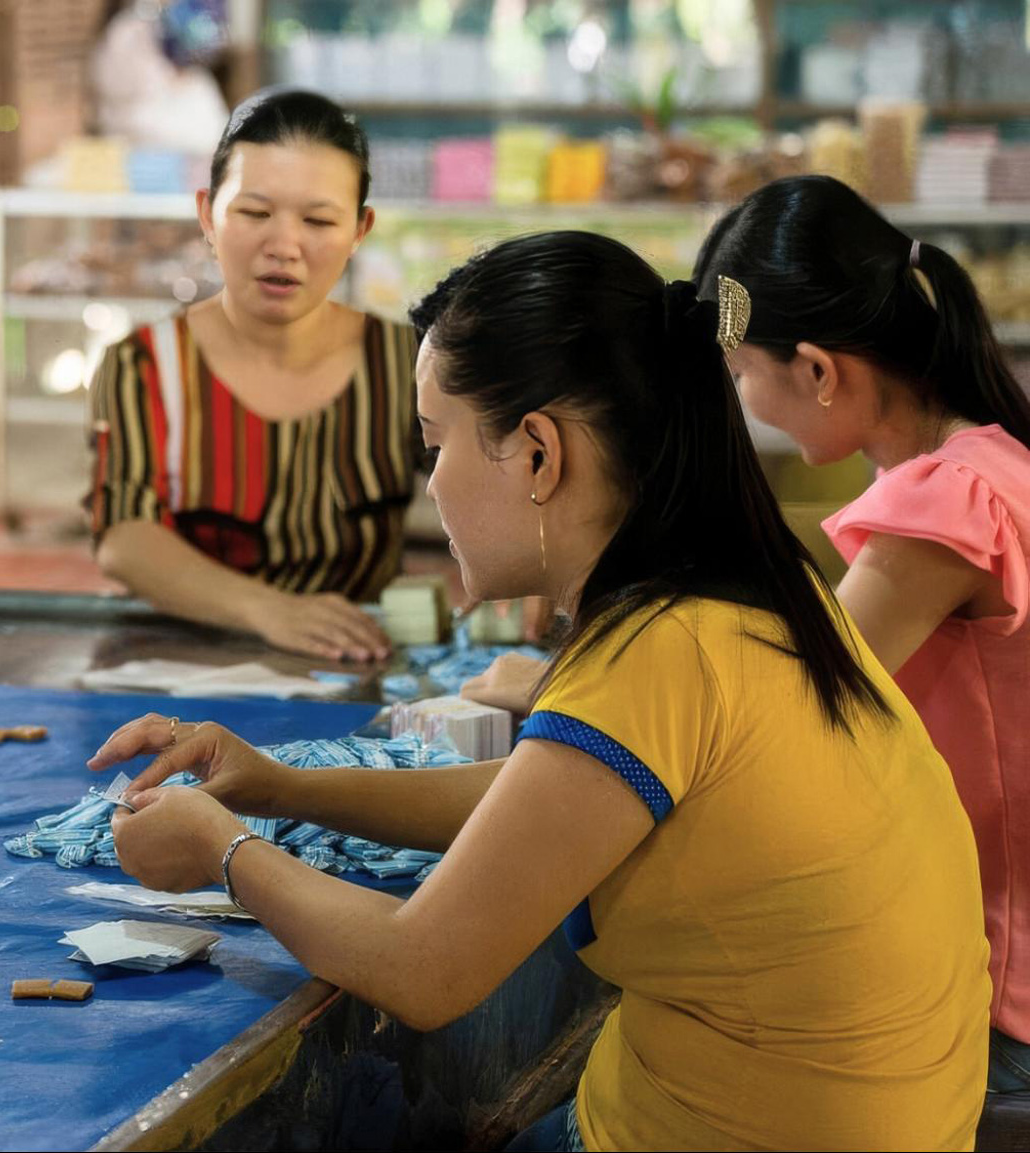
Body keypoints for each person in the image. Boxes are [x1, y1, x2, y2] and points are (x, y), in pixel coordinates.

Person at [88, 231, 990, 1149]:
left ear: (538, 455)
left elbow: (423, 968)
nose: (430, 484)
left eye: (435, 442)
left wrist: (220, 843)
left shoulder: (659, 649)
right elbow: (544, 810)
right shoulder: (757, 589)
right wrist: (276, 782)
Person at [694, 174, 1030, 1095]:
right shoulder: (993, 460)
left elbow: (796, 706)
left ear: (816, 368)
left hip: (1002, 993)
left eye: (738, 373)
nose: (741, 401)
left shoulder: (944, 505)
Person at [86, 88, 418, 664]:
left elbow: (498, 484)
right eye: (254, 213)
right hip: (183, 674)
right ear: (207, 216)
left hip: (359, 668)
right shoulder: (145, 365)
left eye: (318, 220)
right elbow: (124, 536)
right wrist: (271, 611)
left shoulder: (406, 362)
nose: (283, 246)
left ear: (360, 230)